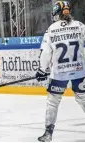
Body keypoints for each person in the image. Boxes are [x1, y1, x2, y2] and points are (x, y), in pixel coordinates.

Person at [36, 1, 85, 142]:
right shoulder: (80, 26)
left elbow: (45, 53)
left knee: (53, 102)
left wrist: (42, 69)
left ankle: (48, 133)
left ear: (56, 13)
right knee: (83, 99)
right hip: (79, 71)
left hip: (60, 73)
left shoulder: (51, 29)